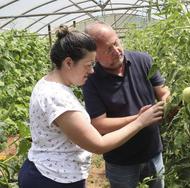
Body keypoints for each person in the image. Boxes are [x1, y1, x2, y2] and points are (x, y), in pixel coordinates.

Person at [18, 25, 164, 188]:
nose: (93, 71)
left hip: (55, 174)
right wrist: (140, 121)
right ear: (68, 63)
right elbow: (98, 144)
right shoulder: (56, 98)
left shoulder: (50, 85)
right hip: (53, 179)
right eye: (88, 65)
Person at [83, 22, 170, 188]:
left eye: (116, 43)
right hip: (120, 160)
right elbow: (99, 124)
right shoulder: (91, 80)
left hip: (152, 152)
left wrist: (164, 106)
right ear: (94, 55)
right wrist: (140, 119)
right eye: (108, 49)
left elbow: (164, 92)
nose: (117, 51)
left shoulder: (143, 60)